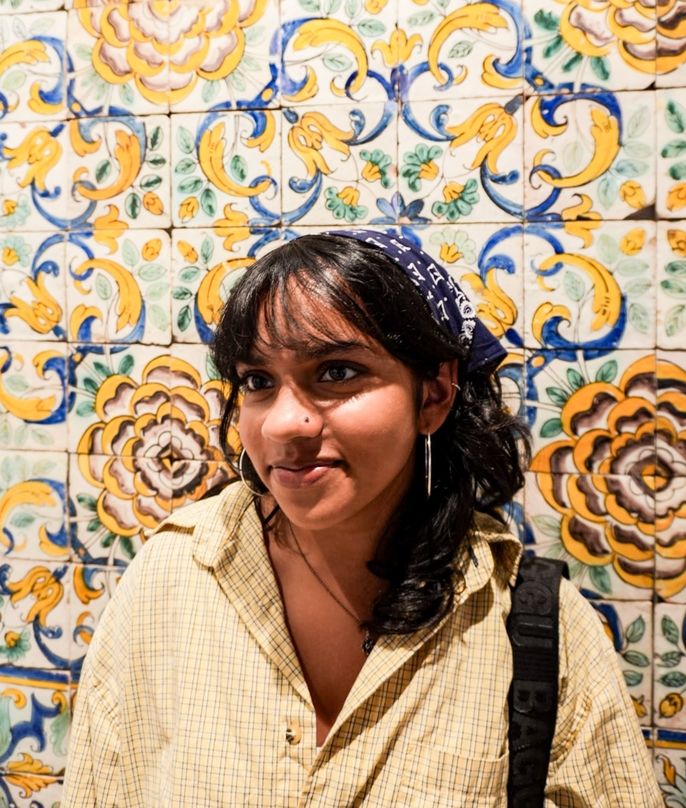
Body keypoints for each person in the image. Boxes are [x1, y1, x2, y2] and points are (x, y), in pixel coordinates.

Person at [63, 231, 662, 807]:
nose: (282, 425)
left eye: (337, 372)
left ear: (433, 395)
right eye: (258, 381)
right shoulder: (169, 582)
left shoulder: (533, 628)